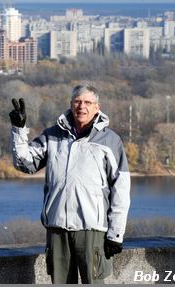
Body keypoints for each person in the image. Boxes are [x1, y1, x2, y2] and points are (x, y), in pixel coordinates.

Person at [9, 83, 130, 284]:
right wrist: (18, 130)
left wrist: (116, 234)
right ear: (71, 104)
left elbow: (121, 190)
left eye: (88, 102)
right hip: (57, 229)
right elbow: (25, 163)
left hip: (92, 229)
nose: (82, 106)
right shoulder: (52, 135)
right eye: (77, 101)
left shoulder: (110, 141)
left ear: (97, 107)